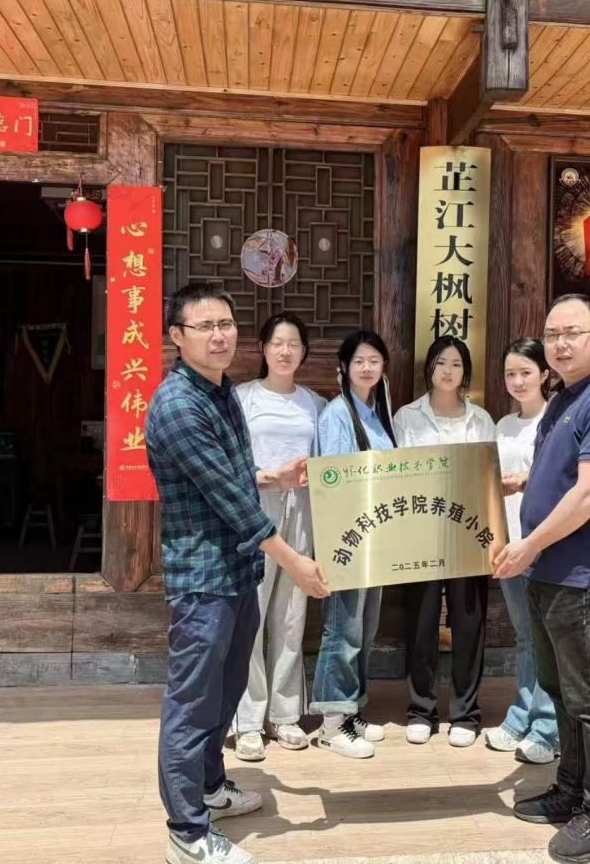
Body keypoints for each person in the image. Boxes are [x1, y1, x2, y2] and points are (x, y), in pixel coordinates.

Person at [147, 282, 330, 864]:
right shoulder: (178, 405)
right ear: (177, 337)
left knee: (224, 694)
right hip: (203, 577)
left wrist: (276, 478)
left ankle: (209, 788)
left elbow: (234, 473)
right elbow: (230, 500)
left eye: (225, 323)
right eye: (205, 326)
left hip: (237, 569)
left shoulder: (221, 391)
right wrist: (295, 561)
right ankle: (188, 832)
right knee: (192, 703)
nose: (219, 335)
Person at [491, 294, 590, 864]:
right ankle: (572, 790)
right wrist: (520, 484)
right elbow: (560, 473)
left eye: (572, 333)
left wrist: (529, 543)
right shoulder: (564, 399)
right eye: (552, 335)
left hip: (580, 576)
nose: (559, 344)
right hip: (547, 573)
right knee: (560, 692)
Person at [391, 335, 496, 748]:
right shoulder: (406, 417)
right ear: (429, 369)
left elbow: (488, 476)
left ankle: (466, 714)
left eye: (456, 364)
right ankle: (421, 710)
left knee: (469, 624)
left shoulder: (481, 420)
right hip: (421, 534)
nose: (448, 371)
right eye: (440, 363)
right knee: (421, 624)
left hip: (468, 532)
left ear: (465, 372)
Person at [231, 313, 327, 762]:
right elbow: (231, 463)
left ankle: (285, 714)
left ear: (304, 352)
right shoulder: (242, 398)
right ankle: (248, 720)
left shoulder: (316, 404)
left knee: (292, 611)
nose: (285, 351)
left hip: (303, 510)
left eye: (293, 344)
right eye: (277, 343)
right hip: (257, 506)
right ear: (263, 349)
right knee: (251, 609)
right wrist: (271, 478)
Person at [309, 330, 398, 759]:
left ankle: (351, 710)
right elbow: (334, 481)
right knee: (342, 628)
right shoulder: (337, 415)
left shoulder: (378, 413)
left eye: (374, 361)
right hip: (348, 538)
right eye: (359, 361)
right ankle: (331, 722)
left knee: (364, 627)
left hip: (374, 536)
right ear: (343, 367)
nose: (366, 368)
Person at [482, 338, 559, 766]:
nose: (517, 381)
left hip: (542, 543)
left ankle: (548, 729)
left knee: (546, 636)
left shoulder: (556, 419)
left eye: (525, 372)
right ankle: (522, 715)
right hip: (508, 541)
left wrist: (524, 482)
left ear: (544, 374)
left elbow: (565, 479)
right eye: (510, 374)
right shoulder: (503, 425)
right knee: (526, 634)